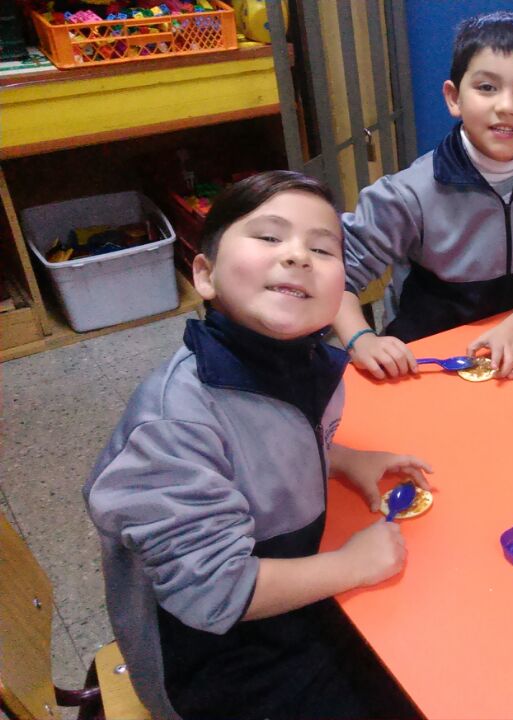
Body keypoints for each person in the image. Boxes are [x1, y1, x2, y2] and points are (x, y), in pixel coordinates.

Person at [84, 172, 430, 719]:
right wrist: (352, 565)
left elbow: (263, 446)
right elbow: (214, 590)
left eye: (322, 248)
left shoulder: (306, 365)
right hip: (219, 661)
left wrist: (340, 458)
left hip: (294, 603)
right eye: (269, 237)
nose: (297, 256)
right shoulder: (174, 422)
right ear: (205, 274)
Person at [337, 11, 513, 380]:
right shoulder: (408, 193)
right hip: (429, 357)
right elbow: (335, 277)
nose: (507, 106)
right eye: (487, 87)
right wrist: (360, 339)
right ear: (454, 98)